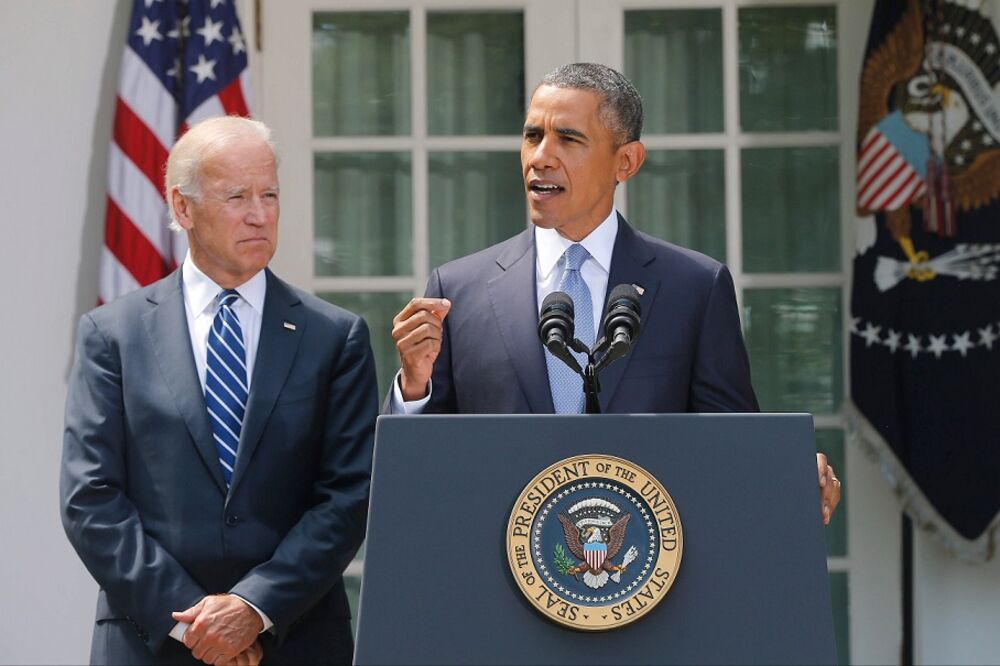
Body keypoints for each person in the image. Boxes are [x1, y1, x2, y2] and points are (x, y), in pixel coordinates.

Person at [389, 63, 841, 523]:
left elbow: (734, 449)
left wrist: (789, 474)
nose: (540, 157)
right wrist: (414, 386)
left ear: (626, 161)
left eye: (568, 139)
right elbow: (412, 473)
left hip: (646, 575)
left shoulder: (694, 288)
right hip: (497, 574)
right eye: (531, 136)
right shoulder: (458, 290)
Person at [61, 116, 377, 665]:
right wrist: (195, 622)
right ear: (183, 209)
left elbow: (348, 496)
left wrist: (251, 609)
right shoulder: (111, 335)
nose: (260, 214)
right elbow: (90, 499)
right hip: (150, 639)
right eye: (237, 197)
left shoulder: (335, 337)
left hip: (293, 639)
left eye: (270, 194)